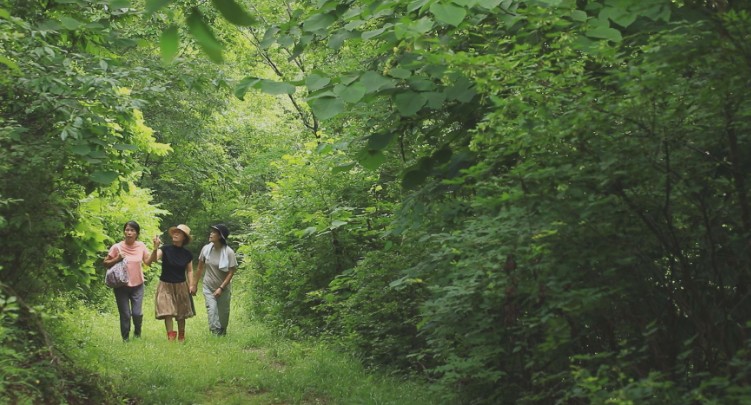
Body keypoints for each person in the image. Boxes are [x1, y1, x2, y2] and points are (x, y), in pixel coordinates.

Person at [103, 221, 154, 341]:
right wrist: (117, 258)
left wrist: (155, 249)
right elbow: (105, 263)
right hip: (121, 286)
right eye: (127, 230)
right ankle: (125, 339)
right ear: (124, 231)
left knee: (137, 313)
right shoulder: (117, 247)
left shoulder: (141, 246)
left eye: (132, 230)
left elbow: (148, 262)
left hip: (137, 285)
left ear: (137, 233)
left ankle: (137, 333)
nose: (129, 233)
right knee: (125, 314)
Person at [150, 224, 195, 342]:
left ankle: (181, 335)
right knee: (167, 311)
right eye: (174, 232)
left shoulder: (187, 254)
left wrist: (191, 285)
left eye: (178, 233)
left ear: (184, 238)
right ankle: (170, 336)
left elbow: (189, 270)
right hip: (165, 284)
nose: (175, 234)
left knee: (181, 313)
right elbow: (154, 259)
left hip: (181, 285)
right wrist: (155, 248)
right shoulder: (165, 249)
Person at [193, 224, 238, 336]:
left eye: (214, 232)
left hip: (223, 288)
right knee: (212, 310)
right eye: (211, 231)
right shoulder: (206, 249)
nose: (211, 234)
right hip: (208, 286)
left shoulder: (229, 252)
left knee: (223, 314)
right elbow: (199, 267)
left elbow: (231, 272)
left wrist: (221, 288)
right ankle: (215, 333)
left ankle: (222, 331)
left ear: (220, 236)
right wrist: (194, 285)